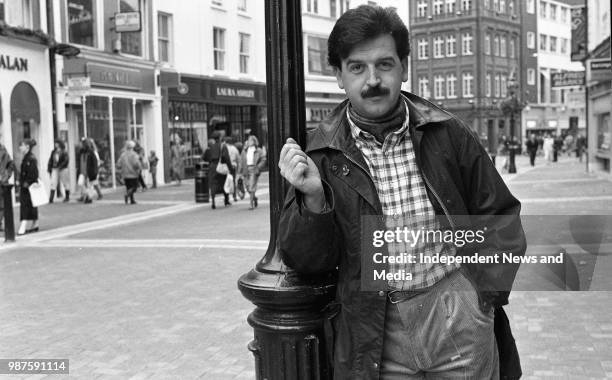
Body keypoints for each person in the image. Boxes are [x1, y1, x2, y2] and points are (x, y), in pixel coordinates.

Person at [277, 6, 526, 379]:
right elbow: (306, 262)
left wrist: (482, 298)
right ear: (339, 76)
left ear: (404, 68)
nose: (372, 80)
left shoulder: (448, 132)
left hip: (457, 316)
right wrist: (314, 200)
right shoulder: (320, 155)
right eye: (357, 67)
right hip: (375, 330)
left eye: (385, 64)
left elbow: (501, 216)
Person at [203, 133, 232, 209]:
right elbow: (227, 158)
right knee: (224, 182)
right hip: (221, 166)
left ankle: (213, 201)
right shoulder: (223, 146)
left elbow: (205, 157)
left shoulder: (210, 147)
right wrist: (230, 168)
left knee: (213, 183)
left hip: (212, 166)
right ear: (220, 138)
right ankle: (226, 200)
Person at [238, 135, 266, 210]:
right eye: (248, 140)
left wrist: (258, 167)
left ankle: (251, 204)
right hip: (246, 170)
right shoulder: (244, 150)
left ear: (254, 141)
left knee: (251, 187)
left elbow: (263, 159)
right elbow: (241, 162)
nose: (249, 142)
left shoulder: (259, 150)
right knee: (247, 188)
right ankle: (254, 198)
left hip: (254, 169)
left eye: (250, 140)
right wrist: (239, 172)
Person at [17, 139, 39, 235]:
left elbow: (34, 173)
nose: (20, 148)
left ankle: (23, 225)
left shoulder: (30, 158)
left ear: (27, 147)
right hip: (27, 186)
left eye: (21, 145)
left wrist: (26, 183)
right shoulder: (27, 157)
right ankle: (35, 224)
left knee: (26, 205)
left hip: (27, 186)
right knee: (31, 204)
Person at [116, 140, 141, 204]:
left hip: (125, 174)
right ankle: (127, 195)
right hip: (133, 173)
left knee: (128, 187)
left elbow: (118, 164)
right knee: (134, 187)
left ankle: (132, 200)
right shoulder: (134, 154)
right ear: (133, 147)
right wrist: (139, 167)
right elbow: (136, 164)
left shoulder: (123, 155)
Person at [76, 138, 98, 204]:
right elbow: (79, 162)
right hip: (82, 172)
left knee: (89, 185)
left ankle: (88, 198)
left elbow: (95, 163)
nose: (81, 145)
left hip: (89, 172)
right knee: (80, 184)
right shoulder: (81, 152)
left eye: (82, 144)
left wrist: (94, 172)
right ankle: (88, 196)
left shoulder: (91, 153)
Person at [0, 141, 15, 231]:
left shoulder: (3, 150)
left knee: (2, 204)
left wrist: (6, 175)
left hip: (1, 181)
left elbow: (11, 164)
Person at [225, 137, 241, 202]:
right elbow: (238, 159)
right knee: (233, 181)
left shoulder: (224, 148)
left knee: (226, 182)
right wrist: (239, 169)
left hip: (225, 167)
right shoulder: (235, 149)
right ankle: (234, 196)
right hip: (233, 167)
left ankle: (227, 197)